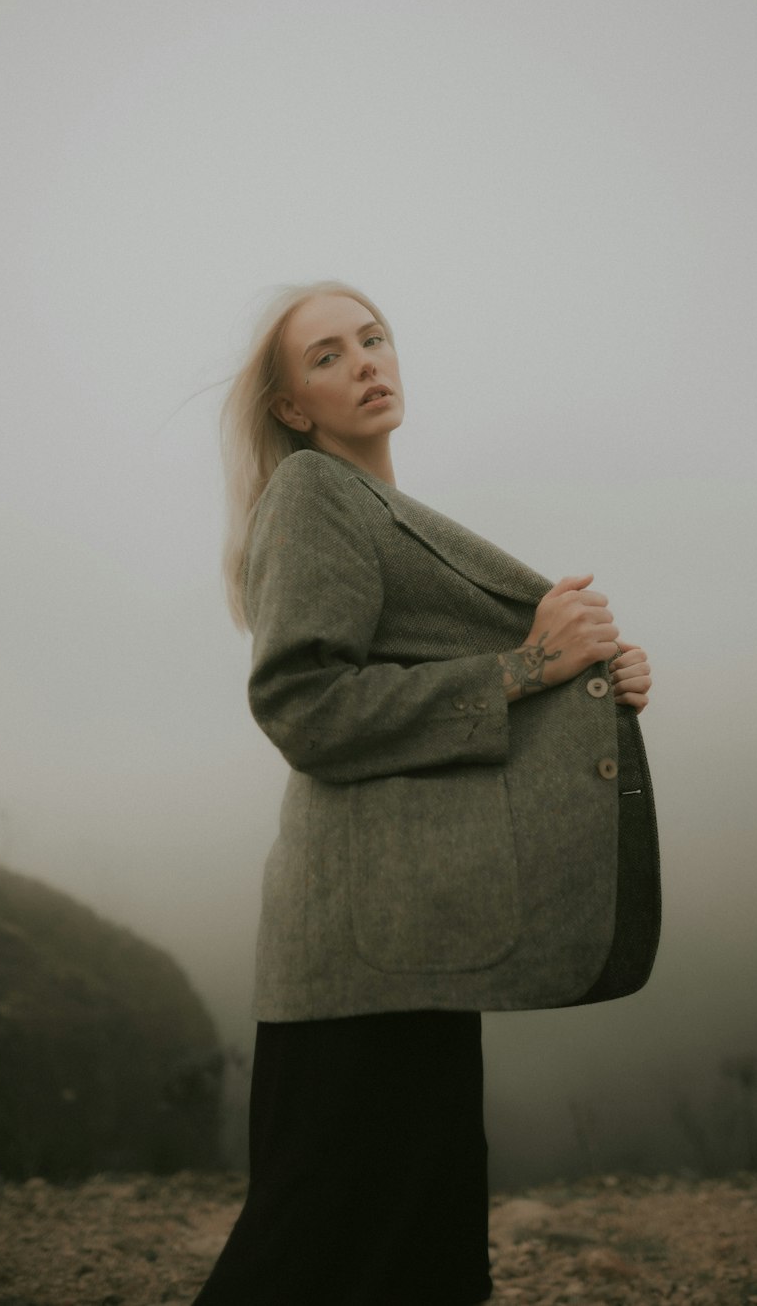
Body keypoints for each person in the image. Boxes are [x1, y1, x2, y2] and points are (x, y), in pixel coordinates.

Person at [190, 280, 659, 1306]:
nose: (364, 361)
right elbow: (304, 707)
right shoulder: (313, 496)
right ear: (290, 408)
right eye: (326, 356)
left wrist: (591, 684)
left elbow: (430, 683)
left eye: (373, 337)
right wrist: (529, 669)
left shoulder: (380, 510)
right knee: (310, 1259)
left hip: (412, 942)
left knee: (415, 1261)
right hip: (355, 961)